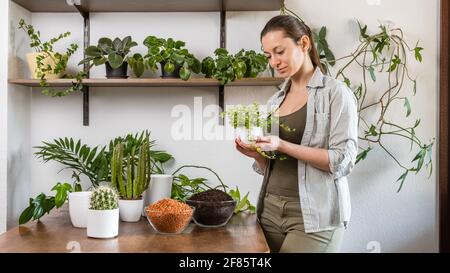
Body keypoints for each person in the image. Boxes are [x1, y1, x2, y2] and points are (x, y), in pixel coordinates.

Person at [235, 15, 358, 253]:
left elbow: (343, 160)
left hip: (314, 217)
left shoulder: (335, 94)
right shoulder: (274, 101)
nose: (274, 62)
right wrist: (257, 155)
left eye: (279, 51)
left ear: (303, 43)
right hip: (269, 212)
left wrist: (282, 145)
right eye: (268, 55)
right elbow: (273, 166)